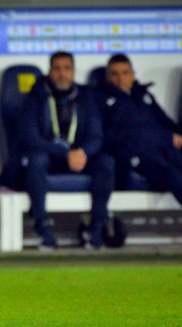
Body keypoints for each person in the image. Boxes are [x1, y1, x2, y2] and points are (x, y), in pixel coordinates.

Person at [21, 51, 114, 250]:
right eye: (57, 69)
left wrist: (83, 153)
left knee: (106, 162)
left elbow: (96, 135)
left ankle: (96, 227)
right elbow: (30, 138)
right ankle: (42, 225)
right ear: (49, 71)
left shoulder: (86, 96)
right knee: (36, 161)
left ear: (73, 71)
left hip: (79, 156)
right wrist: (65, 154)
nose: (62, 74)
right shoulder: (35, 96)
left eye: (67, 68)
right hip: (50, 156)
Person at [97, 53, 182, 206]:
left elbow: (166, 122)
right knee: (171, 174)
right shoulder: (100, 100)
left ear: (133, 75)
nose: (120, 79)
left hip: (162, 148)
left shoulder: (142, 95)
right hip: (134, 154)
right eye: (115, 74)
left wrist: (174, 136)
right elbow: (118, 136)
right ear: (107, 76)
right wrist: (166, 137)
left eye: (125, 73)